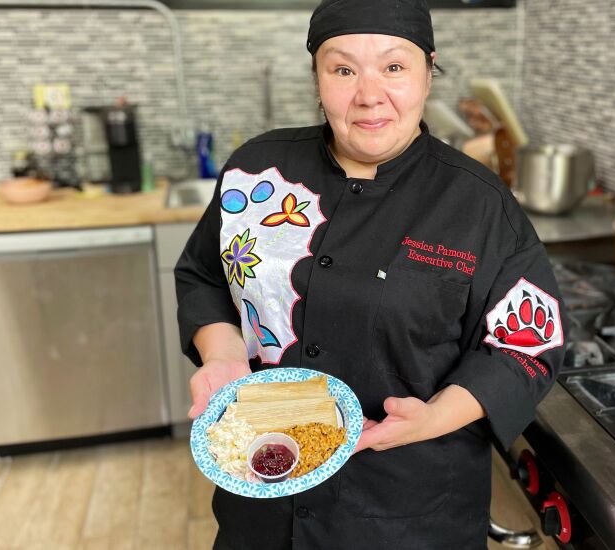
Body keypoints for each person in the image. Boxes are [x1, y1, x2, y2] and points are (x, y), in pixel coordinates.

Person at [175, 0, 564, 547]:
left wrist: (433, 417)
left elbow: (526, 348)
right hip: (261, 493)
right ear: (317, 78)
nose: (368, 95)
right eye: (343, 69)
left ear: (429, 72)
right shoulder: (256, 170)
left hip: (409, 510)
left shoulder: (479, 204)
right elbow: (204, 275)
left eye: (394, 67)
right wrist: (222, 355)